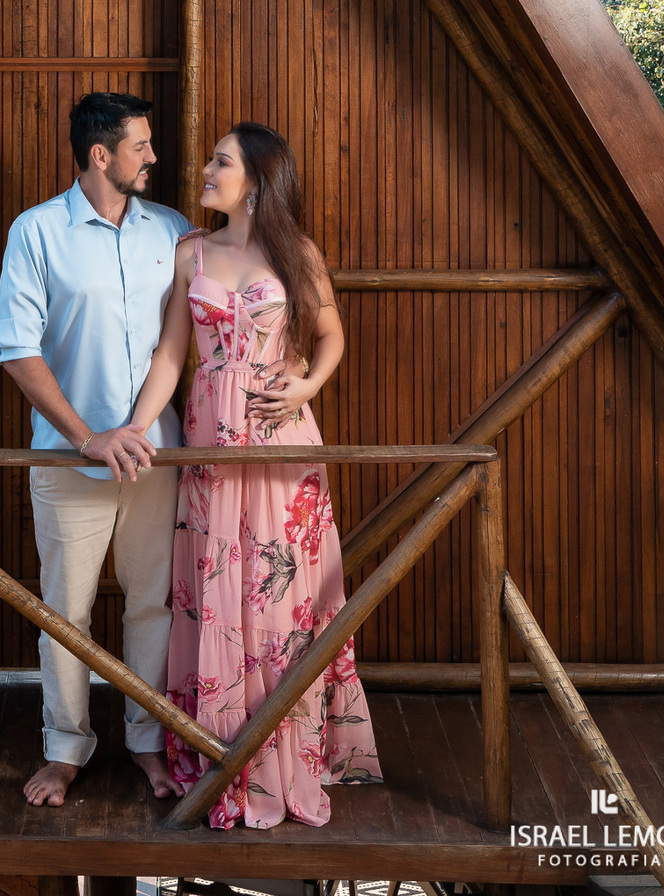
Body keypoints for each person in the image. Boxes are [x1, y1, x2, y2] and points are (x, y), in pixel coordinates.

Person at [129, 121, 381, 828]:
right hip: (211, 442)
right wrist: (136, 428)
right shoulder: (191, 252)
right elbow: (171, 355)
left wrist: (308, 387)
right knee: (217, 593)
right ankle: (222, 755)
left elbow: (330, 334)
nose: (206, 171)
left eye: (222, 162)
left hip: (282, 442)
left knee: (280, 597)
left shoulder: (297, 252)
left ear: (257, 181)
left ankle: (283, 756)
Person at [0, 90, 192, 808]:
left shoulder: (173, 231)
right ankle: (65, 749)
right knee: (64, 614)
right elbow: (16, 349)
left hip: (157, 457)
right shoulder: (36, 232)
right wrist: (88, 438)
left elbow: (188, 337)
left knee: (153, 606)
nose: (154, 157)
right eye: (142, 146)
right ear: (101, 155)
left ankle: (149, 740)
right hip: (66, 459)